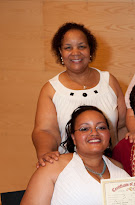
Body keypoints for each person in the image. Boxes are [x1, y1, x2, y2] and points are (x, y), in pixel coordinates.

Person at [17, 106, 132, 205]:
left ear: (109, 134)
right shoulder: (53, 166)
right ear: (73, 137)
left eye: (101, 127)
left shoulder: (119, 169)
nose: (94, 133)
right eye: (85, 129)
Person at [32, 22, 127, 168]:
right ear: (60, 52)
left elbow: (122, 127)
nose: (75, 52)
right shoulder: (51, 89)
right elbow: (45, 131)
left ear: (90, 50)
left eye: (81, 46)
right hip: (68, 168)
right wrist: (45, 153)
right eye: (68, 47)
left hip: (110, 166)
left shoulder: (109, 81)